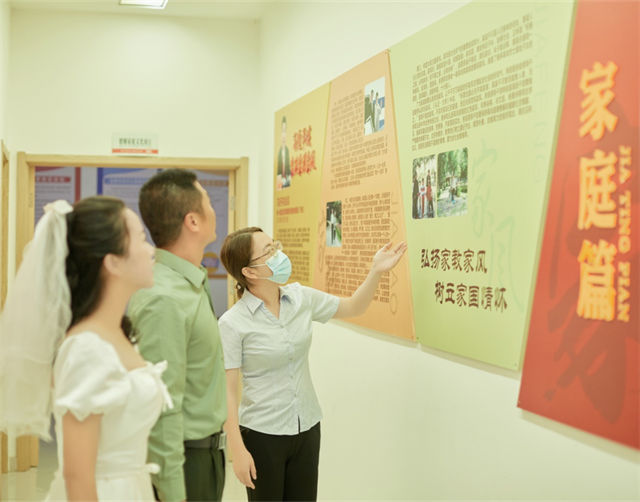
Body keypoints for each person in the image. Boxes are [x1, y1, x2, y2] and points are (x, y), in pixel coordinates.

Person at [0, 196, 172, 502]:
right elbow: (77, 476)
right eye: (142, 239)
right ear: (112, 262)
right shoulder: (86, 349)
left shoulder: (118, 334)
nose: (151, 251)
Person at [218, 228, 407, 502]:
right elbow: (226, 392)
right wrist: (237, 451)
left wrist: (376, 271)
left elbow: (354, 306)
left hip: (306, 427)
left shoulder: (300, 298)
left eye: (275, 246)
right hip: (262, 436)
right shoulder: (233, 323)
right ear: (249, 272)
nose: (278, 254)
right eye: (269, 251)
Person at [128, 169, 227, 502]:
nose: (214, 209)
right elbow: (161, 406)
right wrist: (172, 493)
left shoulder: (189, 282)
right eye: (208, 202)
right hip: (184, 462)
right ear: (192, 221)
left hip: (207, 455)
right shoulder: (164, 298)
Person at [277, 116, 291, 189]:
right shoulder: (278, 154)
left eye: (285, 131)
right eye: (282, 131)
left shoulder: (288, 152)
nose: (283, 135)